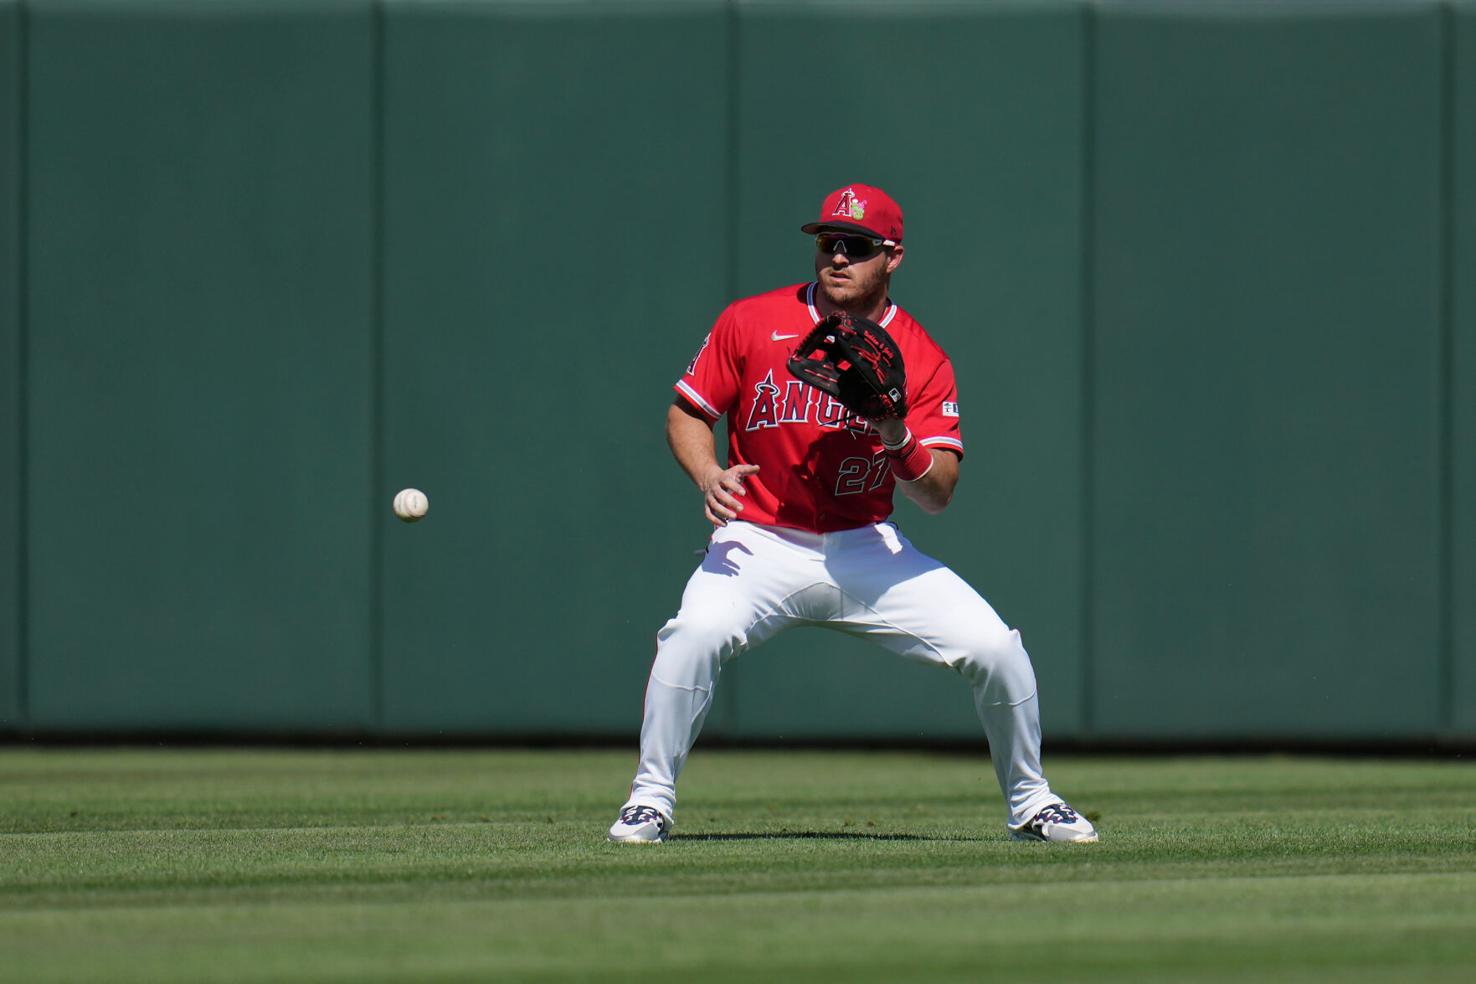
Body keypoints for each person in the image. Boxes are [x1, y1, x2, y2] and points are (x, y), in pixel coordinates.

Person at [608, 183, 1097, 845]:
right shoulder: (751, 321)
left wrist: (895, 432)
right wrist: (707, 473)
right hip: (759, 540)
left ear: (892, 257)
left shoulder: (921, 356)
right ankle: (649, 800)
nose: (837, 256)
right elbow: (688, 412)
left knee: (995, 648)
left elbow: (938, 492)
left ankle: (1032, 803)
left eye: (857, 246)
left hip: (866, 545)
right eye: (828, 242)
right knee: (690, 635)